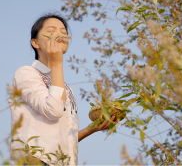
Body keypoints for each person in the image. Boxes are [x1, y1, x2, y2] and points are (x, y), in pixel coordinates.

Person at [10, 14, 119, 165]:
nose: (60, 34)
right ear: (35, 42)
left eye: (63, 31)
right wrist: (56, 64)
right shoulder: (26, 73)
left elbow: (62, 139)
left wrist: (91, 129)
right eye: (51, 31)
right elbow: (54, 110)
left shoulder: (65, 87)